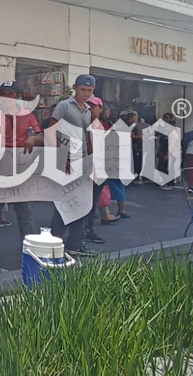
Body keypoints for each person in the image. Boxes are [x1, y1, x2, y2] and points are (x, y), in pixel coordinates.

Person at [0, 81, 42, 265]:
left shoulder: (27, 114)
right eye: (2, 93)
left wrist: (33, 138)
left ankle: (29, 250)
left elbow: (40, 135)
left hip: (20, 169)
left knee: (24, 212)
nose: (4, 97)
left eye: (9, 93)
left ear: (18, 97)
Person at [49, 75, 97, 257]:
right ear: (75, 88)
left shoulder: (88, 111)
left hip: (82, 162)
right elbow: (51, 132)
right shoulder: (64, 106)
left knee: (81, 204)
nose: (86, 93)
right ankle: (54, 243)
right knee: (64, 203)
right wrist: (60, 158)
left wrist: (92, 163)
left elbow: (88, 138)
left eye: (89, 90)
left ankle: (75, 243)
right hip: (65, 162)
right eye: (83, 89)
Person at [84, 96, 116, 244]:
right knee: (85, 203)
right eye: (88, 106)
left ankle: (88, 230)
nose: (90, 109)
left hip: (99, 169)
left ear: (100, 109)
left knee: (92, 202)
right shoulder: (83, 124)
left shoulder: (102, 125)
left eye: (93, 106)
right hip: (87, 169)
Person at [157, 112, 177, 191]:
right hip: (163, 152)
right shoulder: (164, 133)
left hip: (170, 154)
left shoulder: (173, 134)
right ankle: (164, 182)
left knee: (168, 169)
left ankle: (169, 184)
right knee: (161, 168)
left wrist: (167, 155)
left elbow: (172, 146)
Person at [181, 121, 193, 194]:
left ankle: (190, 186)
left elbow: (184, 143)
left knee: (191, 170)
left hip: (189, 153)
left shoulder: (189, 134)